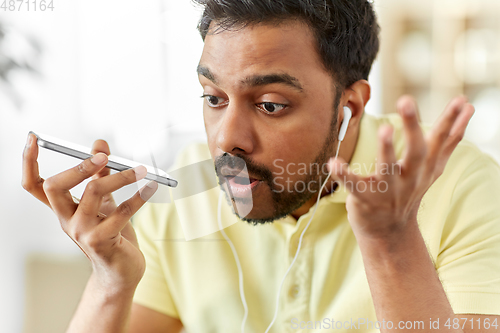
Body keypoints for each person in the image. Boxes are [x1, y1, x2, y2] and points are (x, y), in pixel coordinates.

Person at [22, 0, 500, 332]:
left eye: (270, 104)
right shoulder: (182, 191)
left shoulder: (461, 187)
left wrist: (390, 243)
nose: (227, 139)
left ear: (348, 107)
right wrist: (110, 280)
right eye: (213, 98)